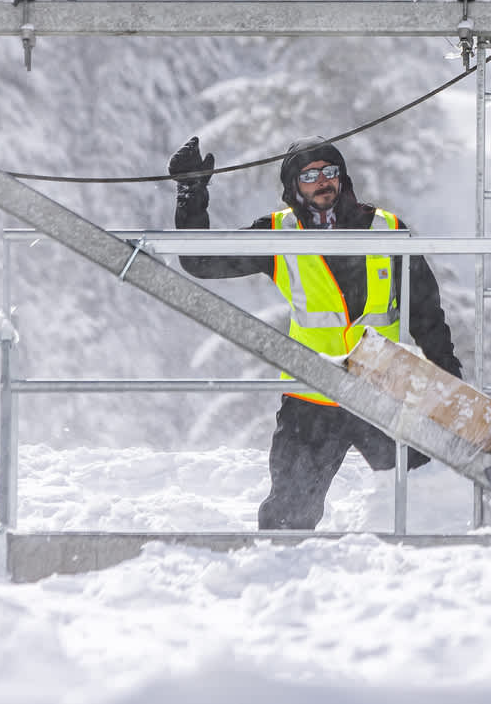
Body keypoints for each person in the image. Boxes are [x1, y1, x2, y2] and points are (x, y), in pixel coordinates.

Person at [167, 134, 463, 530]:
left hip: (384, 394)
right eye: (310, 175)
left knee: (429, 499)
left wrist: (450, 384)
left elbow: (425, 313)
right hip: (312, 397)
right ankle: (283, 579)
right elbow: (201, 261)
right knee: (288, 518)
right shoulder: (277, 233)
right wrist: (191, 194)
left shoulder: (387, 229)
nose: (323, 181)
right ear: (293, 187)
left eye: (329, 172)